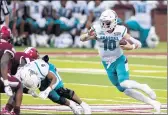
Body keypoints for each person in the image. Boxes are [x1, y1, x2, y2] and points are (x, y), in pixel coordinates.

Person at [80, 9, 161, 114]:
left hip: (119, 60)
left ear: (114, 21)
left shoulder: (120, 30)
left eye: (107, 22)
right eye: (103, 22)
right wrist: (87, 35)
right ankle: (153, 103)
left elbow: (133, 43)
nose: (104, 24)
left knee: (124, 82)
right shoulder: (97, 29)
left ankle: (144, 86)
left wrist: (132, 46)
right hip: (106, 64)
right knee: (125, 90)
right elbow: (82, 39)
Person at [0, 25, 23, 115]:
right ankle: (16, 112)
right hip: (2, 77)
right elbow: (3, 63)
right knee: (19, 85)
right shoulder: (8, 46)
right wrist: (6, 82)